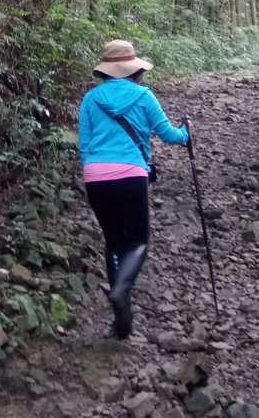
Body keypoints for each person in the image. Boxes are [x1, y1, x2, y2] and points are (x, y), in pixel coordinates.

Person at [78, 38, 191, 339]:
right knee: (138, 240)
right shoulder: (143, 96)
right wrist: (186, 134)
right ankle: (121, 289)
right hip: (130, 174)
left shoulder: (90, 99)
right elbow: (167, 134)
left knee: (113, 242)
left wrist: (94, 170)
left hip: (95, 176)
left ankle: (122, 322)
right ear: (133, 68)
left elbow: (85, 146)